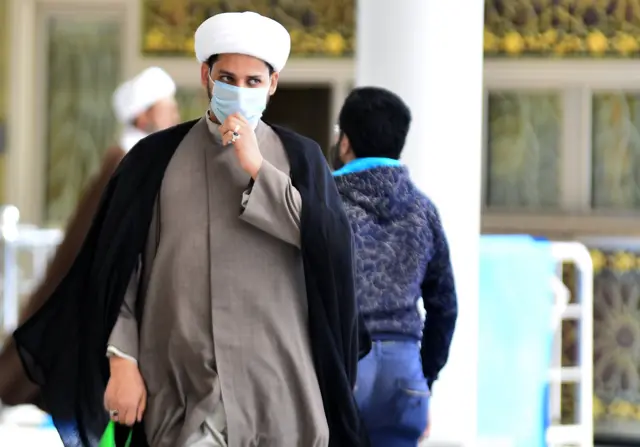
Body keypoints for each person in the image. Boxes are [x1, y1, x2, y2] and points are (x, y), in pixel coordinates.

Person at [13, 11, 370, 447]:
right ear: (205, 75)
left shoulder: (301, 159)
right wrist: (122, 359)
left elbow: (329, 248)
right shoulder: (154, 159)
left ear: (272, 84)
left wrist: (257, 168)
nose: (238, 91)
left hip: (280, 395)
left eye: (253, 81)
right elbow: (119, 269)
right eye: (227, 78)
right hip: (181, 396)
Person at [0, 67, 178, 409]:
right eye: (164, 106)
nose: (173, 113)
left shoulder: (139, 157)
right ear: (143, 116)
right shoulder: (128, 160)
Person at [331, 87, 458, 447]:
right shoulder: (423, 210)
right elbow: (444, 307)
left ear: (345, 142)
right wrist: (424, 378)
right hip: (404, 370)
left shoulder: (325, 202)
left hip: (342, 366)